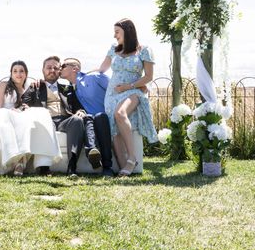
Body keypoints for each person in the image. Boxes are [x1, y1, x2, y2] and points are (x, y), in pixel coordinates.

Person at [21, 56, 101, 175]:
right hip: (46, 120)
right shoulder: (35, 87)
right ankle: (44, 168)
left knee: (77, 120)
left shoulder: (67, 88)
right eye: (48, 67)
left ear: (59, 71)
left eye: (55, 68)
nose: (52, 70)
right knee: (45, 123)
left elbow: (78, 106)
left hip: (65, 120)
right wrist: (26, 108)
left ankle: (72, 167)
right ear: (43, 70)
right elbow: (24, 103)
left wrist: (80, 111)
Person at [97, 18, 157, 176]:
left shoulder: (144, 50)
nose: (115, 35)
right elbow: (102, 69)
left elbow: (149, 76)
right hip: (112, 93)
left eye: (117, 32)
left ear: (127, 31)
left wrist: (129, 86)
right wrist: (80, 74)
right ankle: (124, 166)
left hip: (133, 90)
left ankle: (132, 158)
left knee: (120, 113)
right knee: (113, 127)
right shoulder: (113, 49)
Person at [0, 60, 61, 176]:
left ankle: (22, 162)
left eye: (21, 71)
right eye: (15, 71)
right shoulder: (4, 85)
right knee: (22, 121)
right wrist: (10, 113)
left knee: (35, 120)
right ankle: (19, 162)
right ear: (11, 73)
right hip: (5, 114)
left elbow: (27, 104)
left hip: (19, 115)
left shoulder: (29, 87)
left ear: (26, 73)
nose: (18, 74)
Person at [59, 57, 113, 177]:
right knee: (89, 118)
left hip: (106, 118)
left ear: (75, 69)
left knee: (100, 117)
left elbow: (115, 88)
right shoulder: (70, 90)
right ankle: (92, 152)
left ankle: (106, 166)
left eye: (62, 66)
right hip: (89, 121)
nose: (59, 68)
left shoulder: (94, 77)